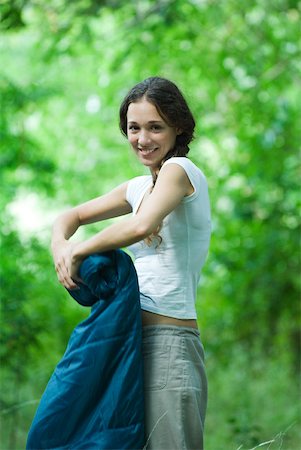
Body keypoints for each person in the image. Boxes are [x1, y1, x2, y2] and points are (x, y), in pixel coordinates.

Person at [52, 76, 211, 450]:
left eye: (155, 127)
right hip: (124, 341)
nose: (143, 138)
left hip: (168, 345)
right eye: (134, 128)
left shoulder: (182, 172)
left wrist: (80, 250)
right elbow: (69, 216)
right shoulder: (138, 187)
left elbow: (141, 225)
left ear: (178, 127)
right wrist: (61, 245)